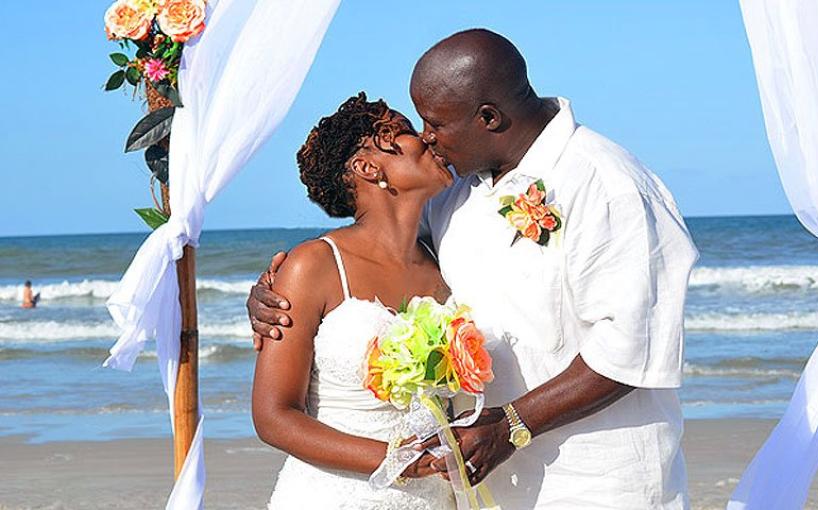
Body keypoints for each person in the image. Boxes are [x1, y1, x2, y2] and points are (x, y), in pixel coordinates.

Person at [249, 30, 698, 509]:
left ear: (488, 117)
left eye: (433, 123)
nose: (426, 137)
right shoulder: (455, 194)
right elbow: (374, 242)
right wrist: (274, 294)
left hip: (595, 481)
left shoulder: (609, 187)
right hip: (484, 488)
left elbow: (632, 348)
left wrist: (511, 425)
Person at [252, 93, 456, 509]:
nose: (428, 140)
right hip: (334, 495)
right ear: (368, 167)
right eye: (406, 131)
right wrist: (398, 460)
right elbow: (274, 417)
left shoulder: (447, 265)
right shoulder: (314, 263)